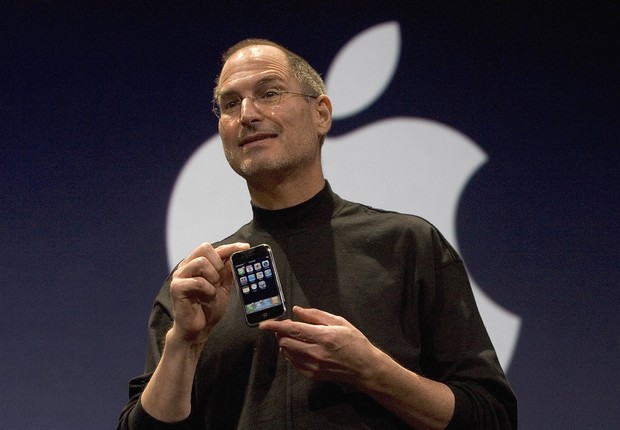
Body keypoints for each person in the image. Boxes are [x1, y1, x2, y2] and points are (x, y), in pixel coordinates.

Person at [117, 39, 517, 429]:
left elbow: (492, 416)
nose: (248, 114)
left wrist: (372, 371)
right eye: (230, 103)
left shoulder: (407, 245)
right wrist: (185, 345)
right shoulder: (198, 285)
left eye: (269, 93)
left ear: (321, 113)